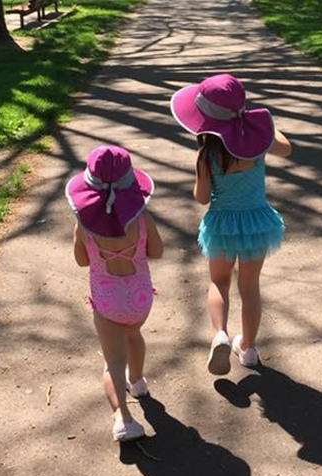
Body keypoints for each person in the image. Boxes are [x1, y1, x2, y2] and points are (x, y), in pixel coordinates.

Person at [170, 73, 292, 375]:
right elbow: (285, 148)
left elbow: (200, 198)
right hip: (256, 222)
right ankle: (248, 348)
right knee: (250, 287)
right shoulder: (256, 144)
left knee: (219, 282)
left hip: (222, 223)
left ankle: (221, 334)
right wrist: (261, 127)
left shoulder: (206, 154)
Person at [66, 145, 164, 441]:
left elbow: (82, 260)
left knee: (112, 361)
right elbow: (157, 252)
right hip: (139, 298)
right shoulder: (142, 218)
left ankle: (123, 418)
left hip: (107, 302)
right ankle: (137, 381)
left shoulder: (83, 225)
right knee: (134, 336)